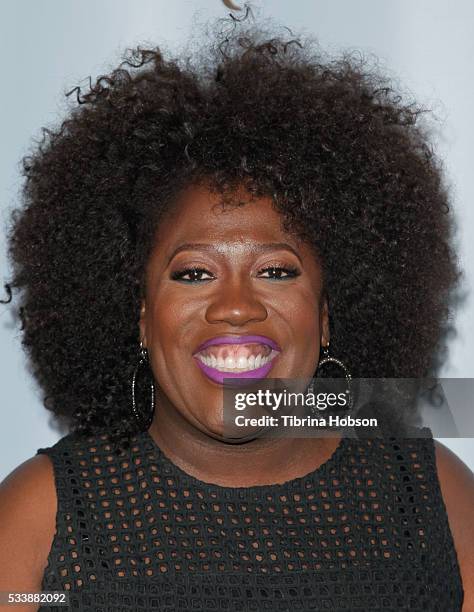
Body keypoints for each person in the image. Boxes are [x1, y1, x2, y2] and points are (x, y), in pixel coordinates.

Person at [0, 15, 473, 612]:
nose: (235, 307)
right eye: (193, 273)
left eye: (276, 271)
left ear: (329, 312)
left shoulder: (433, 500)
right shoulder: (43, 520)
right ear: (139, 315)